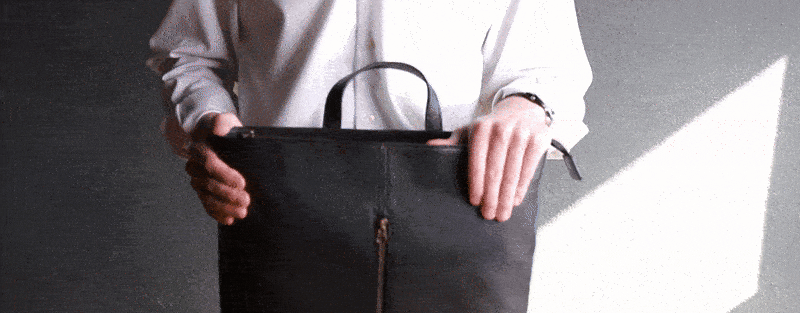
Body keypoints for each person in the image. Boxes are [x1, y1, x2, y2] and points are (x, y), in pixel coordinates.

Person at [149, 0, 592, 224]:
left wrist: (526, 106)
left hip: (456, 198)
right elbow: (189, 53)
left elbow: (547, 66)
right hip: (276, 199)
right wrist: (207, 124)